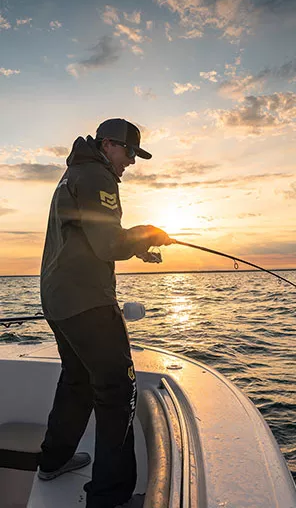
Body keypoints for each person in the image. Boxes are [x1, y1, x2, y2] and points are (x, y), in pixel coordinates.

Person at [39, 118, 171, 508]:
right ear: (110, 145)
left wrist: (135, 246)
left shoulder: (74, 173)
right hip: (88, 303)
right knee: (117, 391)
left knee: (77, 379)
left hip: (59, 299)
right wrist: (145, 232)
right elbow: (108, 243)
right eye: (130, 153)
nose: (131, 162)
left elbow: (89, 237)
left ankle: (54, 459)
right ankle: (109, 498)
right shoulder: (98, 176)